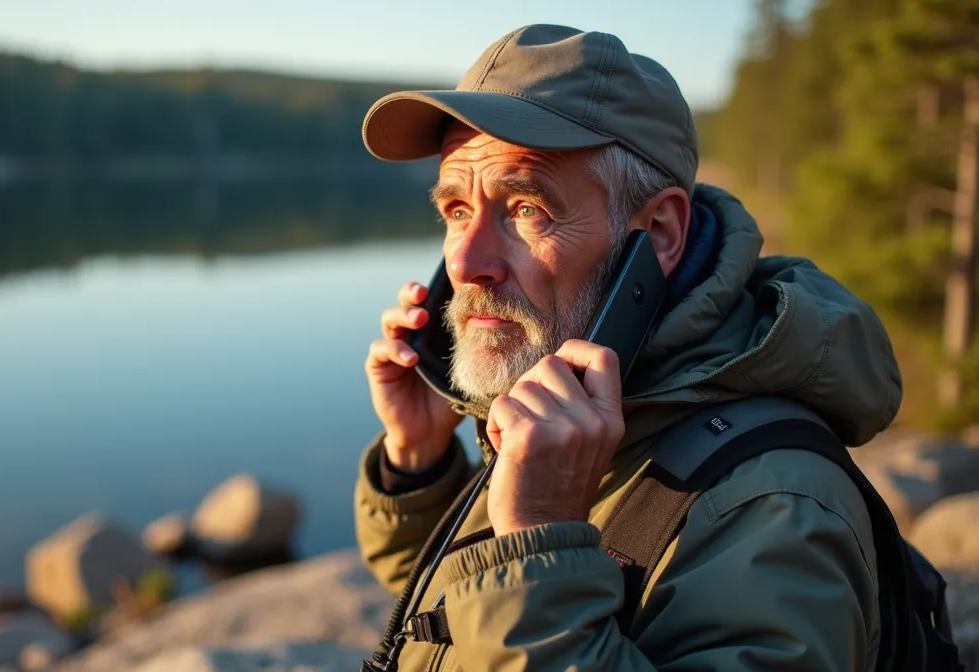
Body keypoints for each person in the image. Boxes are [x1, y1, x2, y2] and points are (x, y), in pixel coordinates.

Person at [355, 24, 901, 671]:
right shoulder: (567, 403)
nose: (469, 262)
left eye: (526, 208)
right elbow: (454, 614)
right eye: (456, 211)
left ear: (661, 232)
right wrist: (418, 460)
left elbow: (512, 615)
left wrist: (538, 539)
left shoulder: (773, 504)